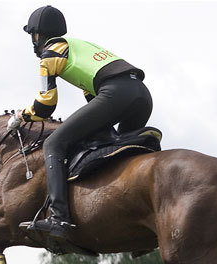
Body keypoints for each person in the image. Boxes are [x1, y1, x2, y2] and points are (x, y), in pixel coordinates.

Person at [8, 5, 153, 244]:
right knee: (121, 159)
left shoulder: (51, 53)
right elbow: (92, 99)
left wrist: (22, 116)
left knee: (54, 144)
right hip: (141, 95)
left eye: (32, 36)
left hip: (115, 93)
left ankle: (59, 218)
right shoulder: (79, 46)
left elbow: (46, 105)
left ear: (37, 35)